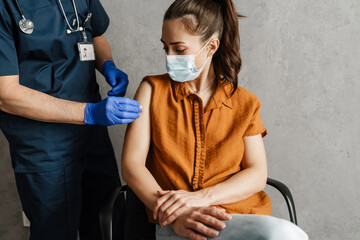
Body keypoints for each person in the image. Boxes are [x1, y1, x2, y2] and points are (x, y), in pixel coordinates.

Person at [121, 0, 309, 240]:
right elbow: (131, 165)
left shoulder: (246, 103)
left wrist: (201, 197)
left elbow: (257, 173)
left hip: (236, 216)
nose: (169, 57)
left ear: (211, 47)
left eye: (178, 49)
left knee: (286, 235)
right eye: (165, 48)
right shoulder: (151, 89)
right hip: (177, 220)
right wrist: (175, 214)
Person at [0, 0, 141, 239]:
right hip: (44, 145)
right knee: (55, 230)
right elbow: (6, 95)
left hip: (92, 131)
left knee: (109, 221)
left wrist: (107, 65)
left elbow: (94, 35)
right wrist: (89, 112)